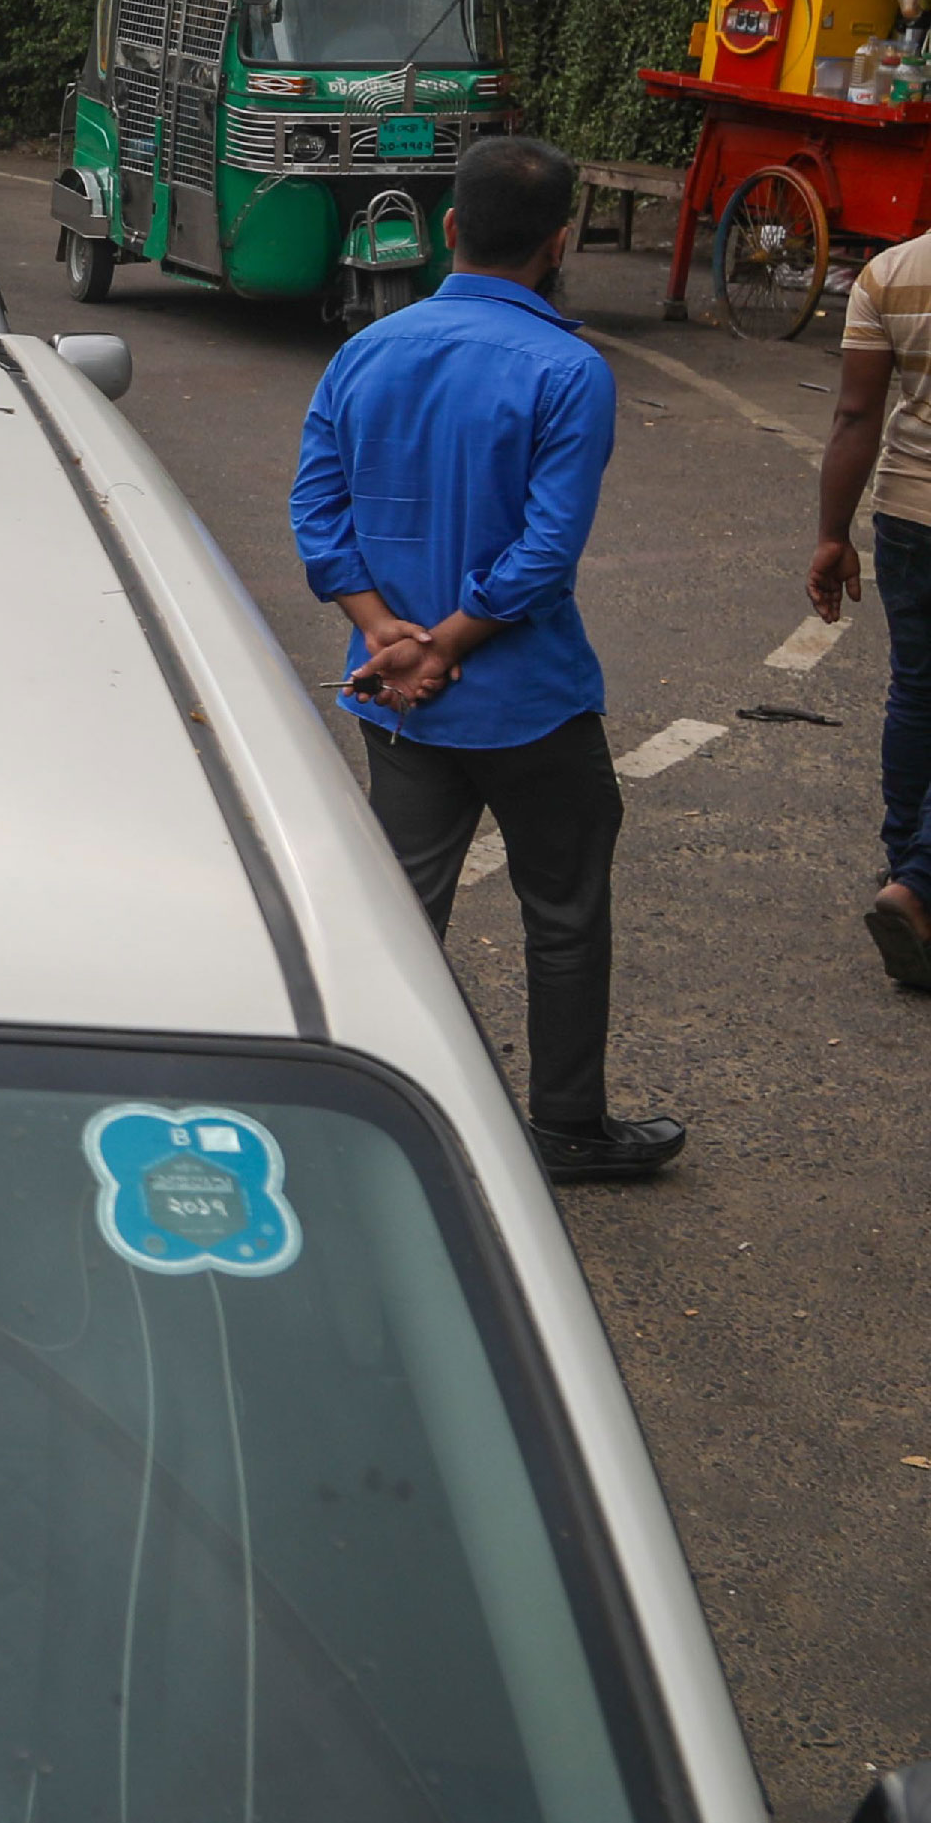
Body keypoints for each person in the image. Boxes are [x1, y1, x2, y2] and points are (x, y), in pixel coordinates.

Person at [292, 135, 683, 1177]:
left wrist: (388, 638)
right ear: (559, 244)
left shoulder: (364, 352)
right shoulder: (568, 370)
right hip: (530, 702)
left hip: (397, 703)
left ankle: (374, 1127)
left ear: (448, 229)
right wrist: (453, 641)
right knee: (561, 909)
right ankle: (563, 1126)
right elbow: (544, 553)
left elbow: (316, 518)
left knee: (402, 912)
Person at [810, 224, 931, 988]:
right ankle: (918, 884)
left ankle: (905, 865)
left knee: (916, 695)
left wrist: (832, 535)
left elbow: (854, 416)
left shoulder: (891, 272)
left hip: (907, 513)